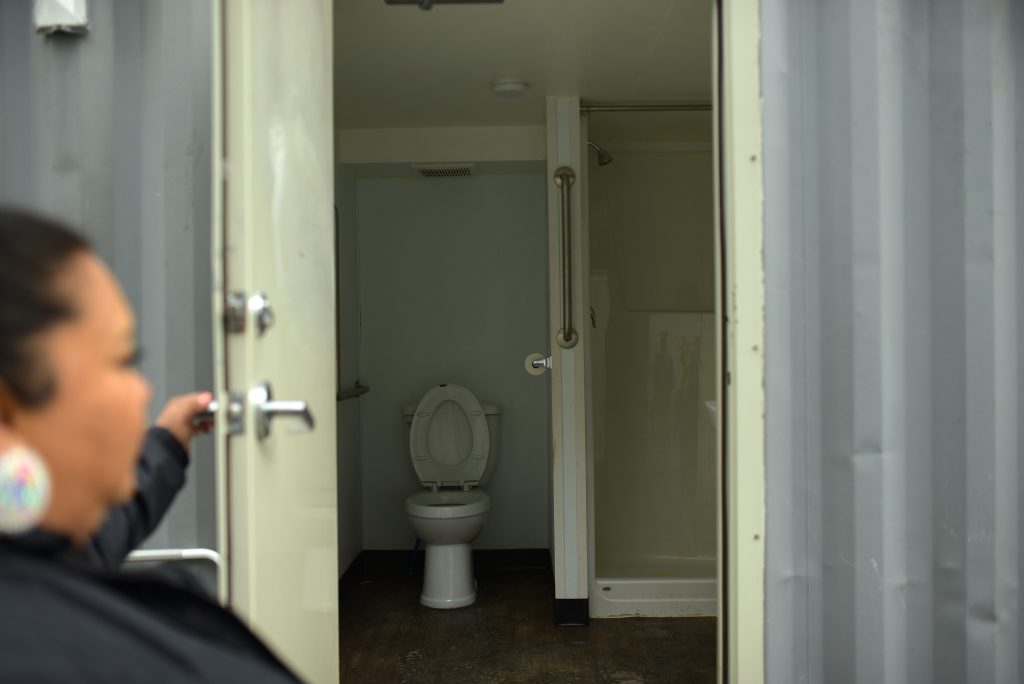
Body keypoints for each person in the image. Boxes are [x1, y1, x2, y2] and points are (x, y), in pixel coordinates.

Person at [0, 207, 300, 682]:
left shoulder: (40, 562)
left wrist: (168, 441)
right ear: (8, 411)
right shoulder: (89, 656)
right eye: (123, 360)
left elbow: (104, 531)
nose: (142, 389)